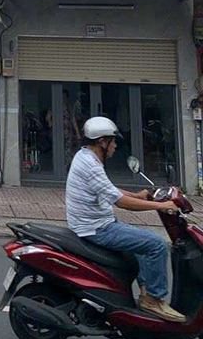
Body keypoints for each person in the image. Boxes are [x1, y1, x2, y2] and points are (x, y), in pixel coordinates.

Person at [65, 116, 185, 323]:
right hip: (96, 228)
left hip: (97, 223)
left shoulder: (85, 156)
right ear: (102, 142)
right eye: (113, 142)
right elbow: (121, 203)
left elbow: (108, 189)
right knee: (156, 244)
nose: (115, 146)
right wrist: (161, 206)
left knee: (141, 241)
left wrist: (136, 195)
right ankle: (153, 299)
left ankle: (145, 290)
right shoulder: (90, 165)